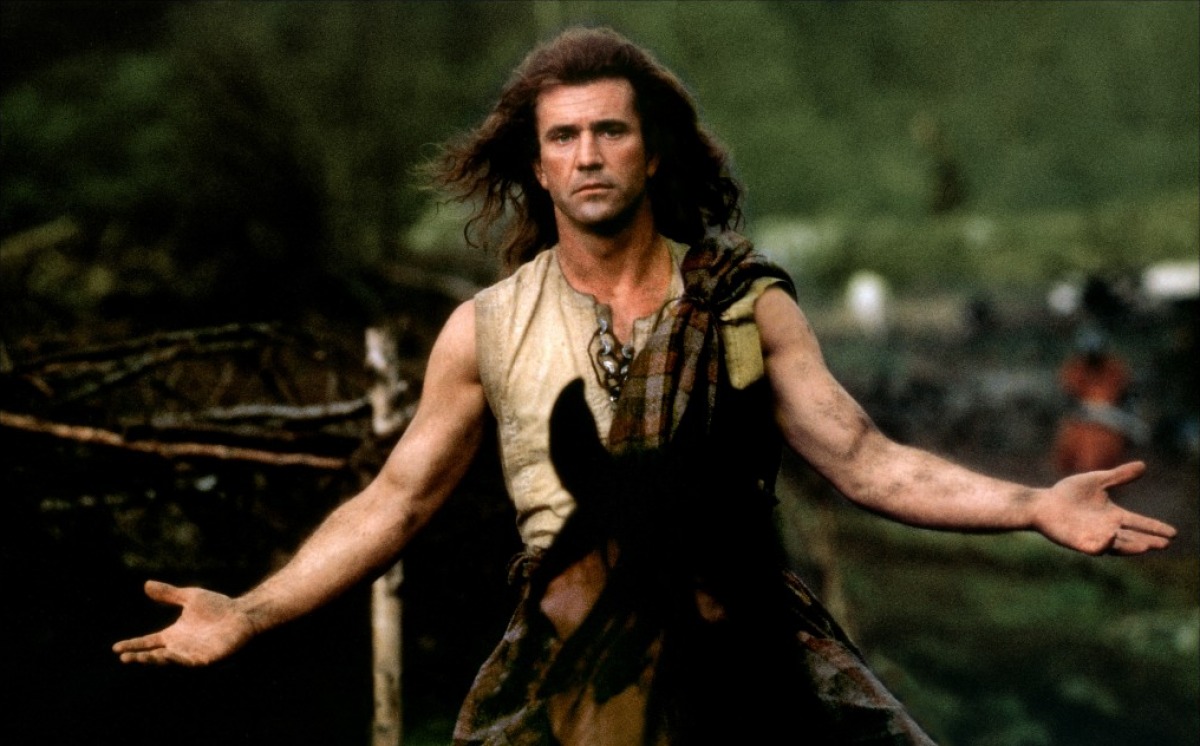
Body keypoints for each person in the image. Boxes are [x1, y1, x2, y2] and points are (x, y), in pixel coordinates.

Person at [114, 27, 1176, 744]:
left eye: (609, 131)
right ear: (538, 164)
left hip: (737, 613)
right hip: (572, 628)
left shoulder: (744, 305)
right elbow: (395, 501)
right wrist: (249, 610)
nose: (587, 155)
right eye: (563, 137)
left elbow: (865, 460)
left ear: (652, 151)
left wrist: (1034, 503)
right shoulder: (484, 329)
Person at [1053, 325, 1141, 474]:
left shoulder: (1115, 369)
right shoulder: (1076, 368)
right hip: (1082, 418)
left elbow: (1127, 399)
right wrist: (1090, 411)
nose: (1093, 360)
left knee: (1104, 447)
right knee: (1073, 443)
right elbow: (1069, 401)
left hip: (1112, 420)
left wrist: (1121, 418)